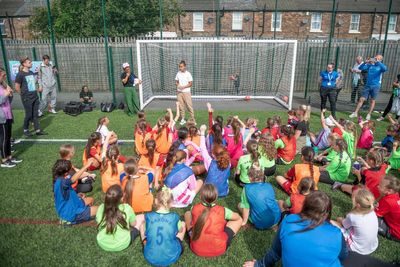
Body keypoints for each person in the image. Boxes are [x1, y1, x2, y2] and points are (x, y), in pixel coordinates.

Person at [243, 191, 348, 267]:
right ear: (327, 212)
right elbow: (343, 256)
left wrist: (259, 264)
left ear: (306, 205)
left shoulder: (289, 220)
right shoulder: (336, 233)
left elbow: (275, 251)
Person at [184, 184, 243, 257]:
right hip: (219, 249)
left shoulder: (194, 208)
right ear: (216, 197)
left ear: (200, 196)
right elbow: (237, 217)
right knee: (239, 220)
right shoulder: (223, 210)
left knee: (187, 213)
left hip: (196, 248)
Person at [141, 188, 185, 266]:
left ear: (156, 201)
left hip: (150, 256)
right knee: (183, 225)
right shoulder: (174, 217)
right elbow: (181, 230)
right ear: (171, 203)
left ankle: (145, 242)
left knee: (142, 225)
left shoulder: (148, 216)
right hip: (171, 256)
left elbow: (146, 230)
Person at [96, 184, 144, 252]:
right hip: (123, 243)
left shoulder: (101, 208)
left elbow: (99, 223)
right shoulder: (127, 208)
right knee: (141, 217)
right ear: (121, 198)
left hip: (103, 243)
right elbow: (133, 224)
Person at [331, 188, 378, 255]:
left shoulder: (353, 216)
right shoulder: (372, 211)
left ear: (358, 205)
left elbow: (344, 225)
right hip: (372, 246)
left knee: (332, 222)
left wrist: (340, 219)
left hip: (357, 249)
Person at [52, 159, 98, 225]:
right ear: (66, 173)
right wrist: (87, 165)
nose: (72, 170)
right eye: (71, 169)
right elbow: (72, 180)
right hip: (71, 213)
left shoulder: (58, 180)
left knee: (90, 200)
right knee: (102, 209)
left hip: (68, 208)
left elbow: (64, 196)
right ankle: (71, 220)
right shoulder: (62, 181)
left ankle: (84, 214)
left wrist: (77, 195)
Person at [238, 164, 281, 230]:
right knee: (276, 201)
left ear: (250, 178)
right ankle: (273, 225)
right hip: (276, 219)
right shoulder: (269, 185)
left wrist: (244, 221)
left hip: (260, 223)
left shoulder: (246, 188)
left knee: (239, 205)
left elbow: (246, 208)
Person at [14, 57, 46, 137]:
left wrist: (38, 88)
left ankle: (37, 130)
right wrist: (23, 95)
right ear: (24, 64)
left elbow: (33, 84)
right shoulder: (20, 74)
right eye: (29, 62)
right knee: (28, 115)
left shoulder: (31, 72)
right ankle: (25, 130)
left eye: (31, 62)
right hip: (27, 98)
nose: (31, 63)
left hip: (35, 96)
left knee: (35, 114)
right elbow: (17, 87)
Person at [349, 55, 388, 121]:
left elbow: (385, 69)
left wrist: (377, 62)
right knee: (361, 99)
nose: (375, 58)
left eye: (377, 58)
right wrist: (365, 62)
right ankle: (355, 113)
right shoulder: (370, 65)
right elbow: (361, 68)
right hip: (367, 85)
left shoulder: (380, 66)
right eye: (375, 57)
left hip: (375, 86)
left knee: (372, 100)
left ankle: (369, 114)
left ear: (380, 60)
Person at [197, 125, 230, 197]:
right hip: (223, 192)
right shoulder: (228, 162)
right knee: (226, 179)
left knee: (202, 180)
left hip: (208, 193)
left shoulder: (210, 162)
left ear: (213, 154)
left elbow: (203, 148)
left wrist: (202, 133)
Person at [0, 67, 21, 168]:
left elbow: (9, 99)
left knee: (8, 138)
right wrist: (6, 95)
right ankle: (4, 160)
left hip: (8, 114)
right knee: (3, 139)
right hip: (1, 117)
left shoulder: (2, 85)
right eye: (3, 75)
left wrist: (10, 94)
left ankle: (9, 157)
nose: (4, 77)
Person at [375, 175, 400, 242]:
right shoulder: (395, 195)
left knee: (368, 219)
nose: (378, 186)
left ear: (389, 191)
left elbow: (374, 214)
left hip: (395, 233)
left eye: (380, 185)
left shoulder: (387, 201)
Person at [175, 60, 195, 125]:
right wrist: (178, 85)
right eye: (179, 67)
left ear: (185, 66)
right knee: (181, 106)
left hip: (186, 92)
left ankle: (192, 119)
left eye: (181, 66)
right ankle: (182, 119)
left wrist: (183, 87)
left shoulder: (188, 74)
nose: (180, 68)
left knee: (189, 106)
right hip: (179, 93)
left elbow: (190, 83)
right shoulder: (178, 73)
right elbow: (176, 82)